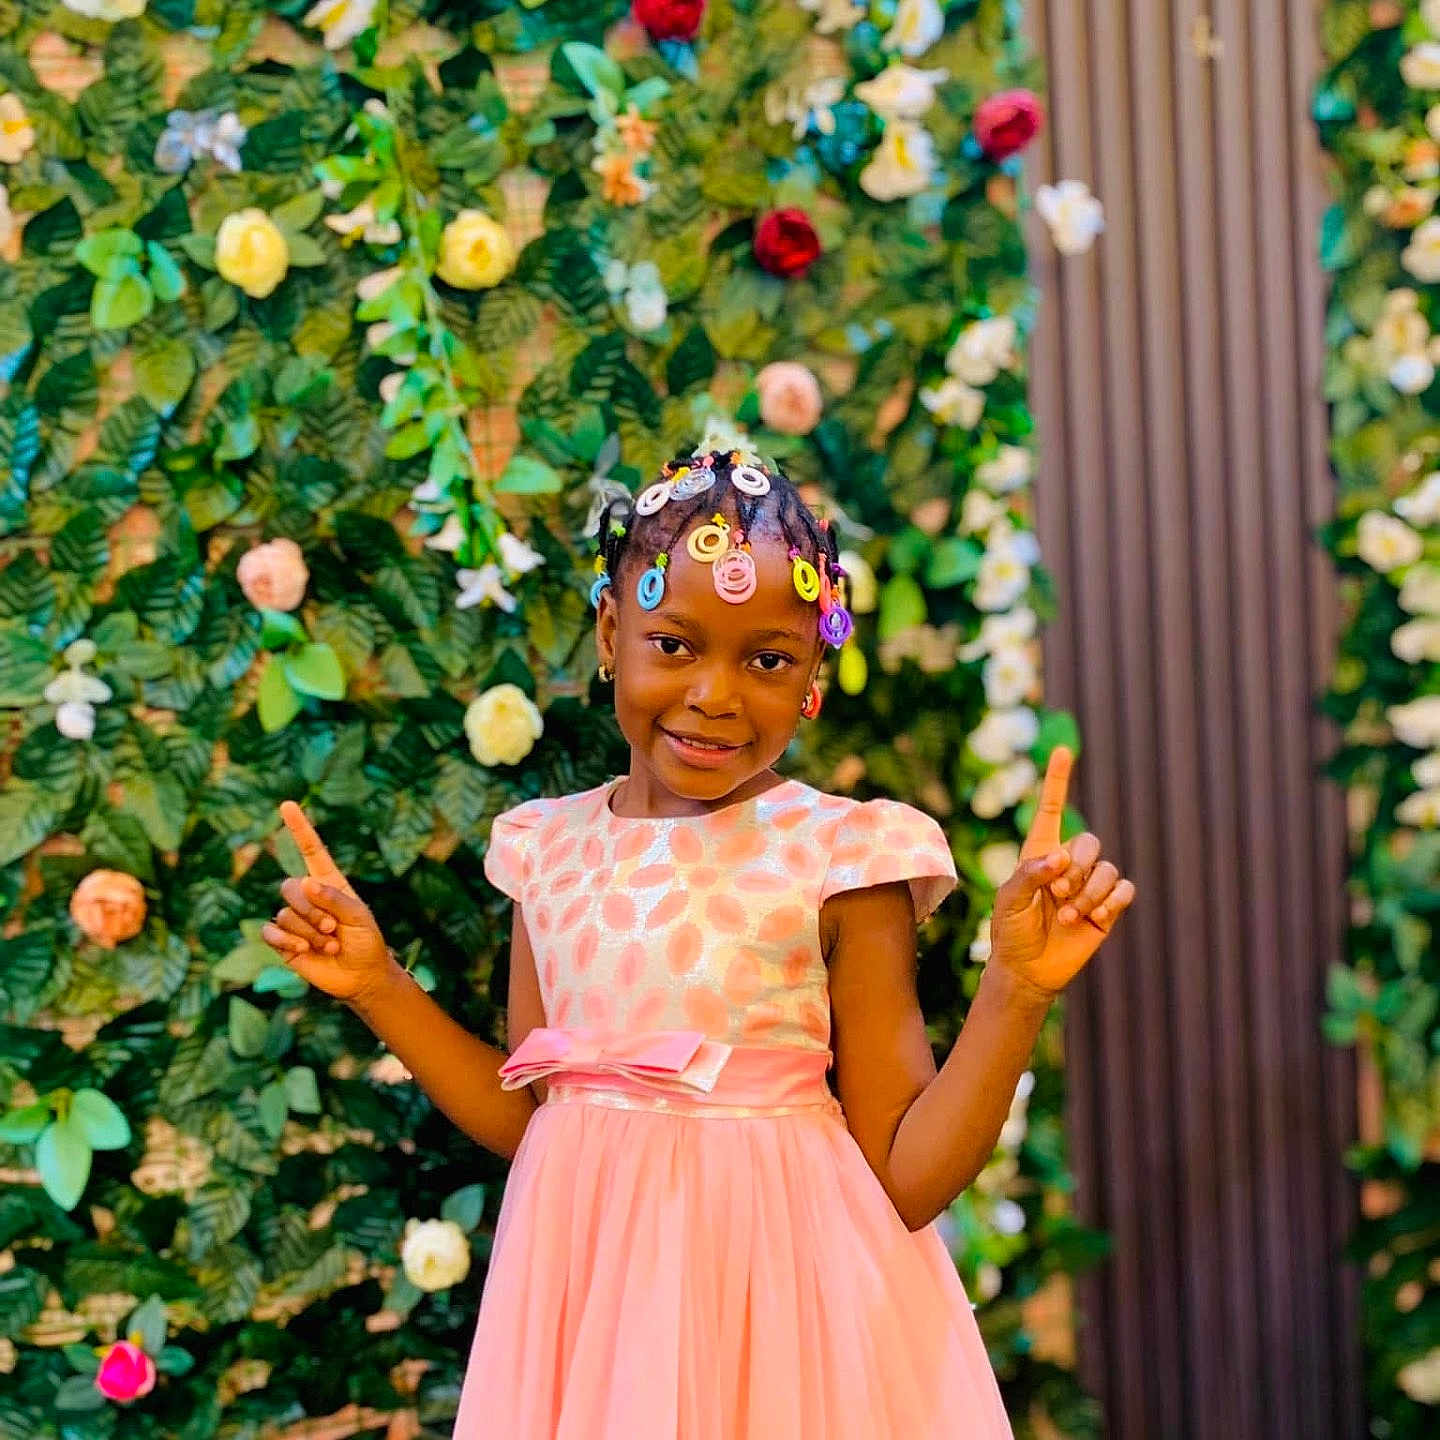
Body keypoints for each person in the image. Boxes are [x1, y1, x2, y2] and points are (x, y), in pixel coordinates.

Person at [264, 448, 1135, 1439]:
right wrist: (378, 986)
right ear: (610, 632)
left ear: (813, 673)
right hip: (589, 1326)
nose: (715, 695)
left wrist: (1019, 989)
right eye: (675, 644)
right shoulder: (548, 851)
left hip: (788, 1331)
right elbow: (539, 1119)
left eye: (766, 659)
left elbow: (905, 1177)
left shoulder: (844, 860)